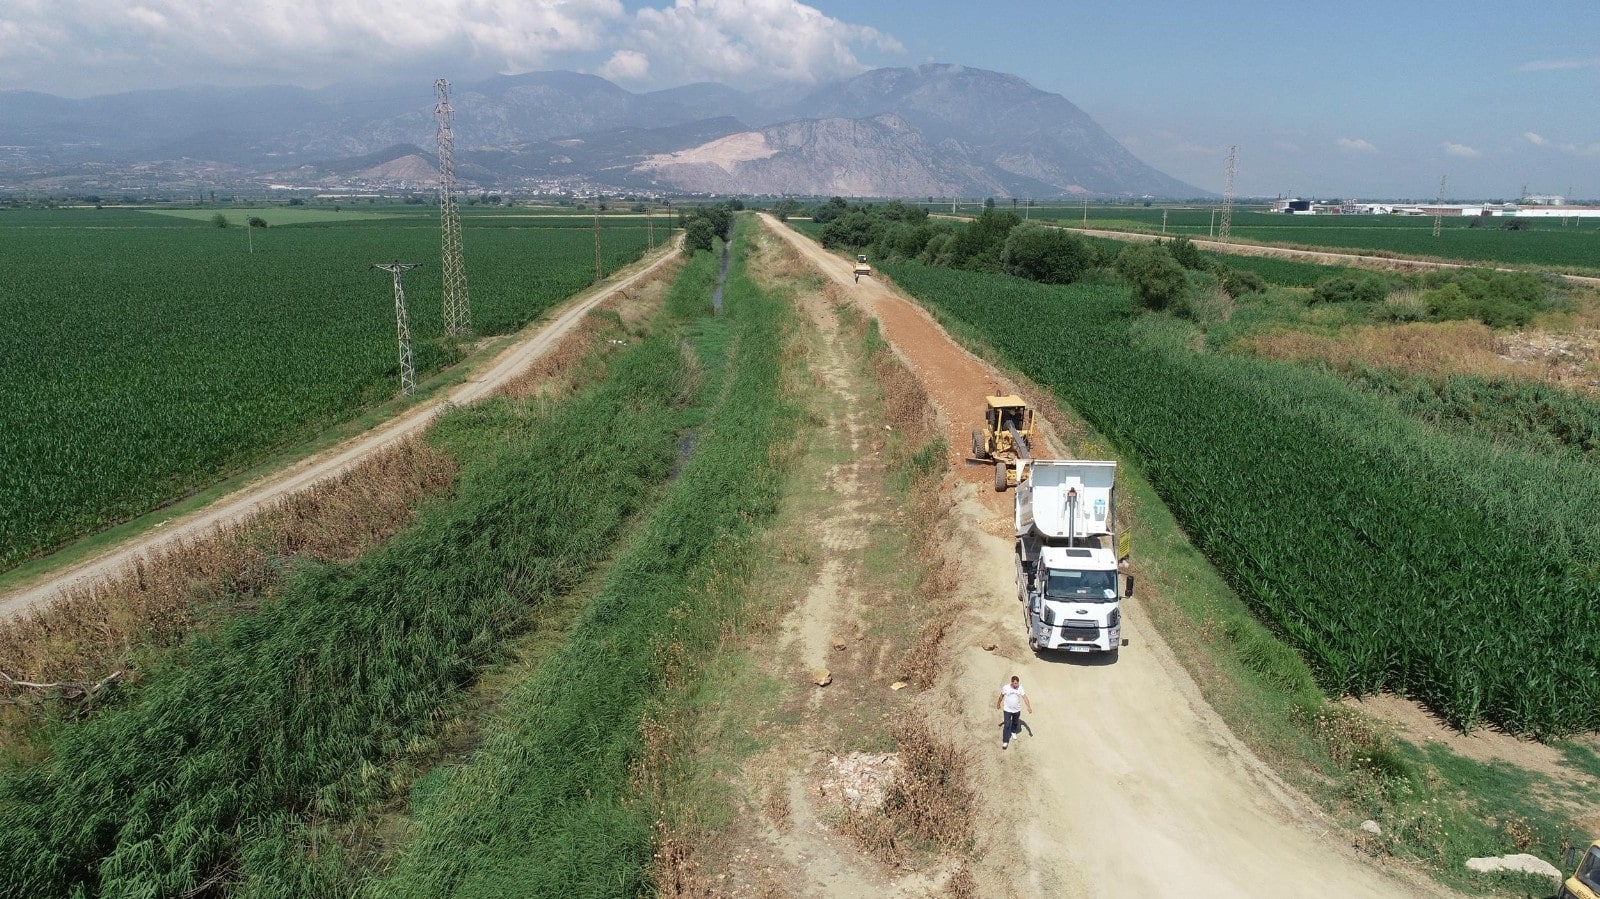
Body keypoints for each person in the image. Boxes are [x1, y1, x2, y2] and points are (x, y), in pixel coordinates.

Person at [995, 675, 1032, 749]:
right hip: (1007, 710)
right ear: (1011, 682)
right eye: (1015, 683)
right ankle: (1005, 741)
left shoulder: (1020, 688)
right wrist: (998, 704)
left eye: (1017, 683)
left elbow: (1025, 697)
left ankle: (1013, 731)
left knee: (1015, 722)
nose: (1016, 685)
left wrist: (1029, 707)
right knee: (1007, 725)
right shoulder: (1006, 688)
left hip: (1016, 710)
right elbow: (1001, 696)